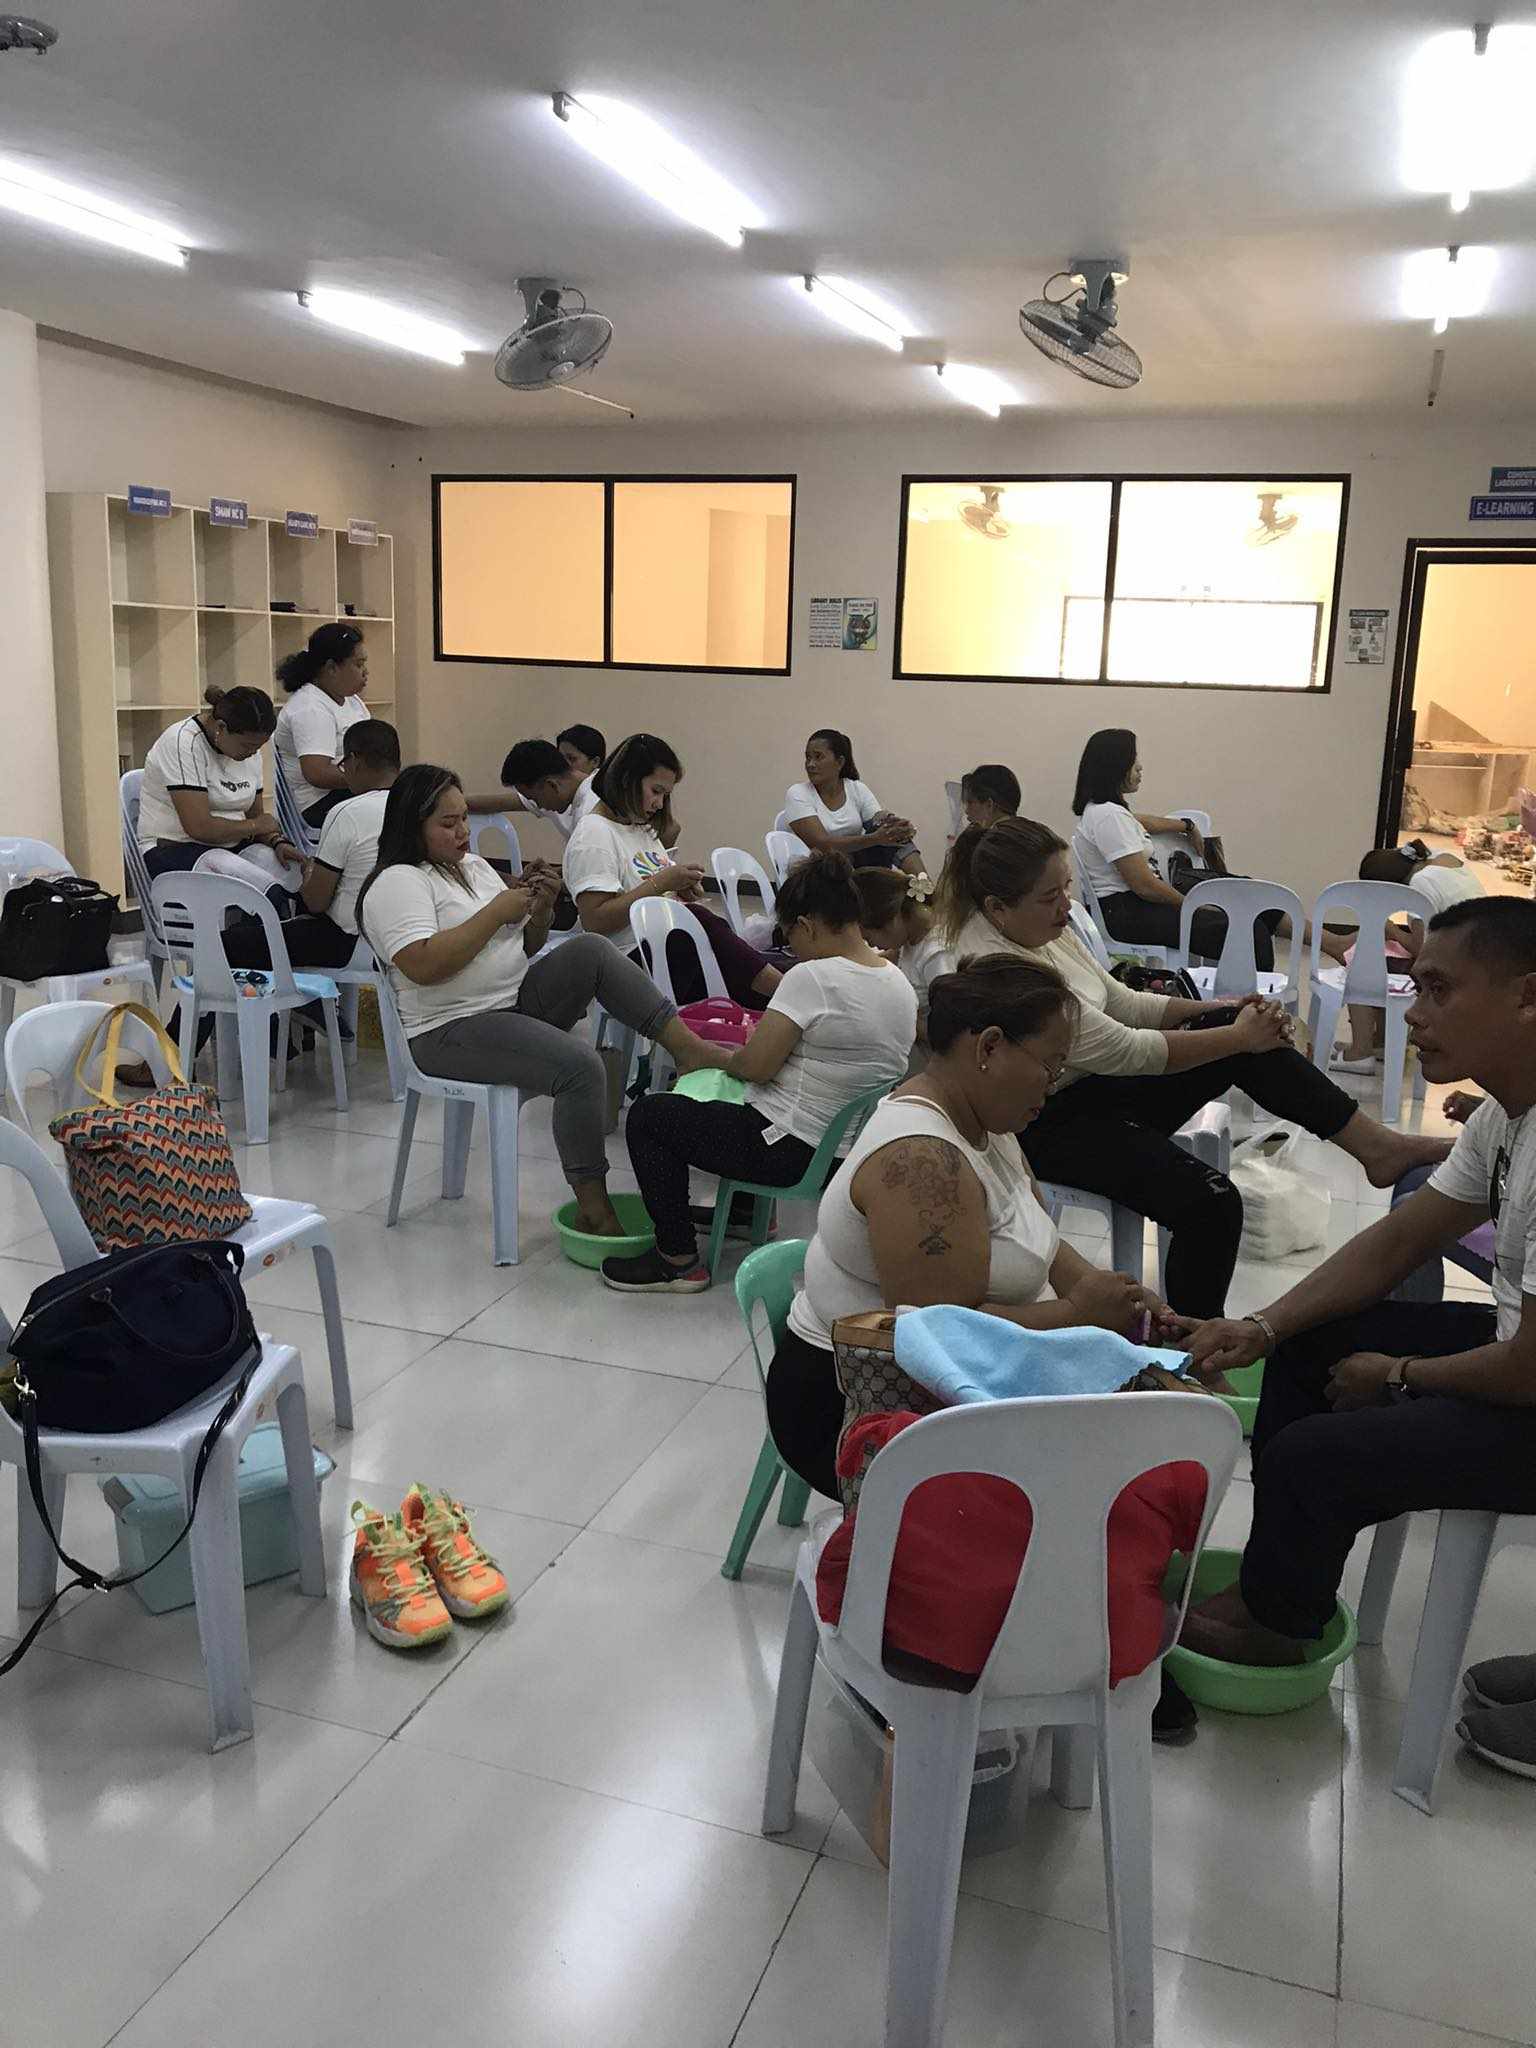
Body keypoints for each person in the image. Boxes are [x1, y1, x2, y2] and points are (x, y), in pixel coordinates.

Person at [761, 952, 1208, 1737]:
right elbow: (943, 1334)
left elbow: (1041, 1241)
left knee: (1137, 1444)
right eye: (1050, 1065)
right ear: (989, 1047)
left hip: (947, 1376)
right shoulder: (921, 1159)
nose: (1054, 1085)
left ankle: (1095, 1615)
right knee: (1079, 1483)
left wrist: (1116, 1298)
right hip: (856, 1404)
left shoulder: (989, 1125)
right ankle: (1063, 1637)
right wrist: (1078, 1315)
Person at [1175, 900, 1536, 1748]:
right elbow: (1399, 1241)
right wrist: (1263, 1326)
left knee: (1315, 1454)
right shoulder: (1505, 1112)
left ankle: (1276, 1619)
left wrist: (1400, 1376)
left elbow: (1528, 1372)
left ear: (1527, 997)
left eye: (1440, 990)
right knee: (1311, 1346)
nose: (1414, 1014)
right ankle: (1276, 1593)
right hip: (1517, 1354)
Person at [936, 818, 1450, 1318]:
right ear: (998, 908)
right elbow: (1125, 1049)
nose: (1067, 906)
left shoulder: (1044, 931)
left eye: (1066, 888)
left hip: (1093, 1090)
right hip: (1042, 1122)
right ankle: (1193, 1347)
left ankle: (1376, 1148)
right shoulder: (998, 966)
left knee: (1234, 1033)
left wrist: (1222, 1010)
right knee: (1213, 1202)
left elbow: (1124, 1002)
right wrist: (1237, 1035)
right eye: (1051, 897)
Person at [358, 765, 733, 1238]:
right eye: (447, 823)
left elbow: (524, 947)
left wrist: (540, 912)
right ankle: (593, 1207)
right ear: (412, 826)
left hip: (511, 1001)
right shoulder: (398, 882)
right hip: (449, 1028)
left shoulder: (473, 869)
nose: (463, 832)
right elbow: (423, 965)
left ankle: (686, 1047)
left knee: (592, 951)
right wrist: (496, 912)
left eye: (464, 818)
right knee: (580, 1067)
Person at [600, 851, 917, 1294]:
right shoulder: (896, 980)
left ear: (806, 925)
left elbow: (755, 1068)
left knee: (650, 1117)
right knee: (738, 1102)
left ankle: (676, 1259)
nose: (793, 948)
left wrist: (708, 1055)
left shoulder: (813, 978)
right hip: (844, 1151)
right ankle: (747, 1211)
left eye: (791, 935)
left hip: (789, 1151)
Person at [1070, 727, 1349, 970]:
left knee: (1246, 894)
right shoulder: (1108, 817)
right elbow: (1144, 886)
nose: (1140, 768)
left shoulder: (1109, 812)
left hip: (1136, 906)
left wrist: (1186, 825)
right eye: (1133, 762)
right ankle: (1254, 1003)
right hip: (1129, 914)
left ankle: (1332, 943)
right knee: (1246, 928)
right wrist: (1195, 906)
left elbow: (1142, 822)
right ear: (1115, 767)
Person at [563, 731, 780, 1009]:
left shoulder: (638, 828)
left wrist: (680, 888)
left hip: (664, 950)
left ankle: (780, 1001)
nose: (659, 804)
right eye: (656, 792)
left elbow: (653, 888)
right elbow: (595, 920)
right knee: (700, 927)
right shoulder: (594, 835)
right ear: (627, 781)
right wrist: (661, 883)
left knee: (716, 944)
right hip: (626, 960)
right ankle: (784, 994)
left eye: (665, 795)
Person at [1335, 839, 1487, 1070]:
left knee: (1362, 962)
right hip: (1475, 953)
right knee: (1376, 952)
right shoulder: (1442, 857)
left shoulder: (1419, 884)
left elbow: (1421, 948)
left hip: (1455, 965)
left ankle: (1360, 1052)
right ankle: (1383, 1042)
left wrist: (1393, 931)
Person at [136, 686, 301, 889]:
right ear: (221, 728)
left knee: (296, 879)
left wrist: (276, 842)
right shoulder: (182, 742)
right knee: (264, 890)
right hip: (175, 847)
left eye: (258, 746)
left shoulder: (249, 749)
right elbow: (199, 827)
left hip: (231, 845)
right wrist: (255, 827)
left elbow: (255, 816)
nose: (253, 752)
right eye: (247, 746)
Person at [783, 729, 926, 876]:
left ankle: (924, 885)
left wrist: (894, 823)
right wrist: (875, 838)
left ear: (840, 762)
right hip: (815, 873)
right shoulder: (797, 793)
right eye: (808, 758)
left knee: (892, 833)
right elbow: (822, 844)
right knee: (876, 841)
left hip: (852, 868)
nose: (810, 764)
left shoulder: (856, 789)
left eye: (818, 757)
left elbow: (876, 821)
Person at [273, 623, 371, 826]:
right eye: (359, 664)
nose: (365, 672)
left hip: (349, 791)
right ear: (332, 668)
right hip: (316, 805)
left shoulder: (352, 701)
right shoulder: (309, 707)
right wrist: (372, 780)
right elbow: (318, 773)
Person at [854, 866, 951, 1034]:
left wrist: (901, 1017)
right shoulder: (908, 941)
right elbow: (891, 958)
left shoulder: (936, 956)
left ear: (892, 921)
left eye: (868, 938)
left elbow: (951, 1032)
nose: (872, 946)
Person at [466, 738, 605, 843]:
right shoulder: (591, 790)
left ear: (552, 785)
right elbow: (499, 802)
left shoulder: (589, 817)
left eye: (535, 799)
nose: (538, 806)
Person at [959, 763, 1020, 830]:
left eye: (970, 802)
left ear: (989, 804)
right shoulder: (1023, 831)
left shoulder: (995, 835)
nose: (966, 811)